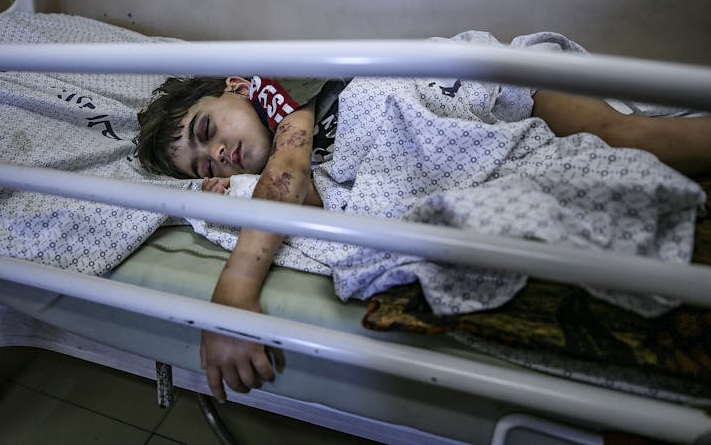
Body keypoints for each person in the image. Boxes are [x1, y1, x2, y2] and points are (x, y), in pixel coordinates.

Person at [137, 74, 711, 403]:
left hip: (502, 91)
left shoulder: (295, 97)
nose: (217, 154)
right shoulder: (293, 151)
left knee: (628, 137)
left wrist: (235, 289)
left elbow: (288, 174)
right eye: (201, 164)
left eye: (207, 130)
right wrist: (229, 190)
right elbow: (306, 190)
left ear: (240, 88)